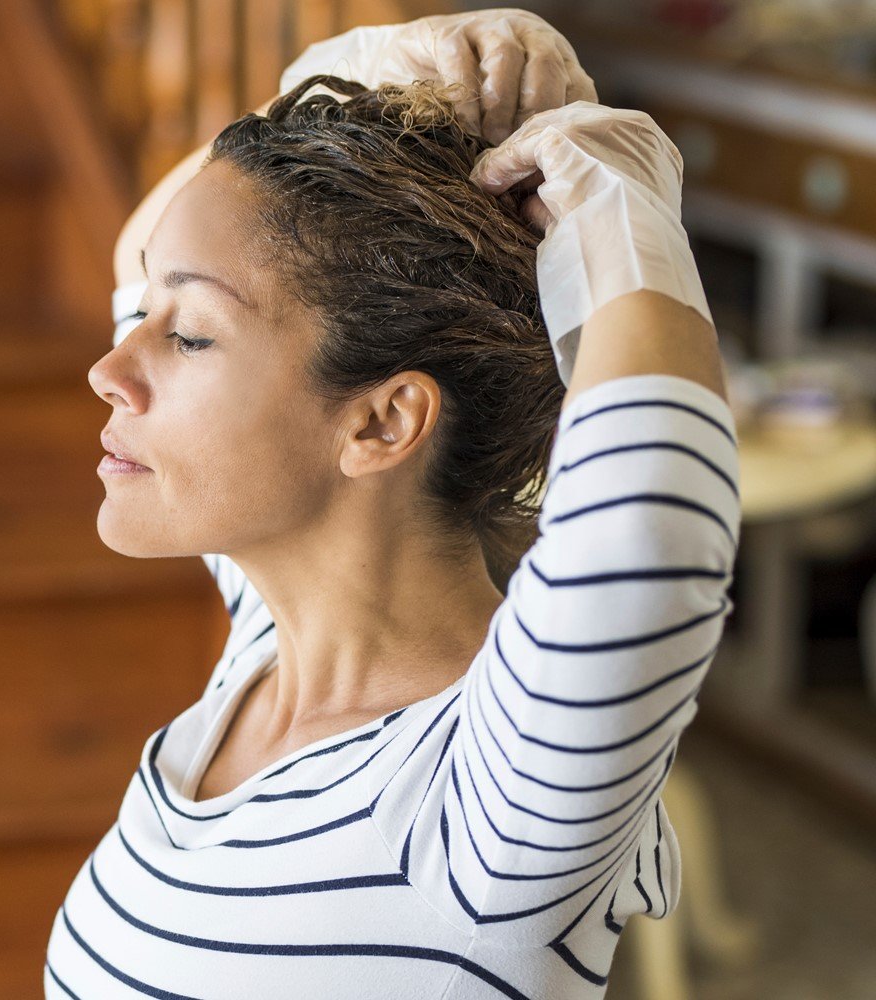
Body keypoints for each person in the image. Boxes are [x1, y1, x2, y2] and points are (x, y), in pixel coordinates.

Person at [48, 10, 736, 998]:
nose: (112, 366)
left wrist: (617, 214)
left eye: (189, 334)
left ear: (379, 424)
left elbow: (647, 526)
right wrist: (334, 75)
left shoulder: (478, 804)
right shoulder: (267, 655)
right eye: (155, 315)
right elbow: (138, 255)